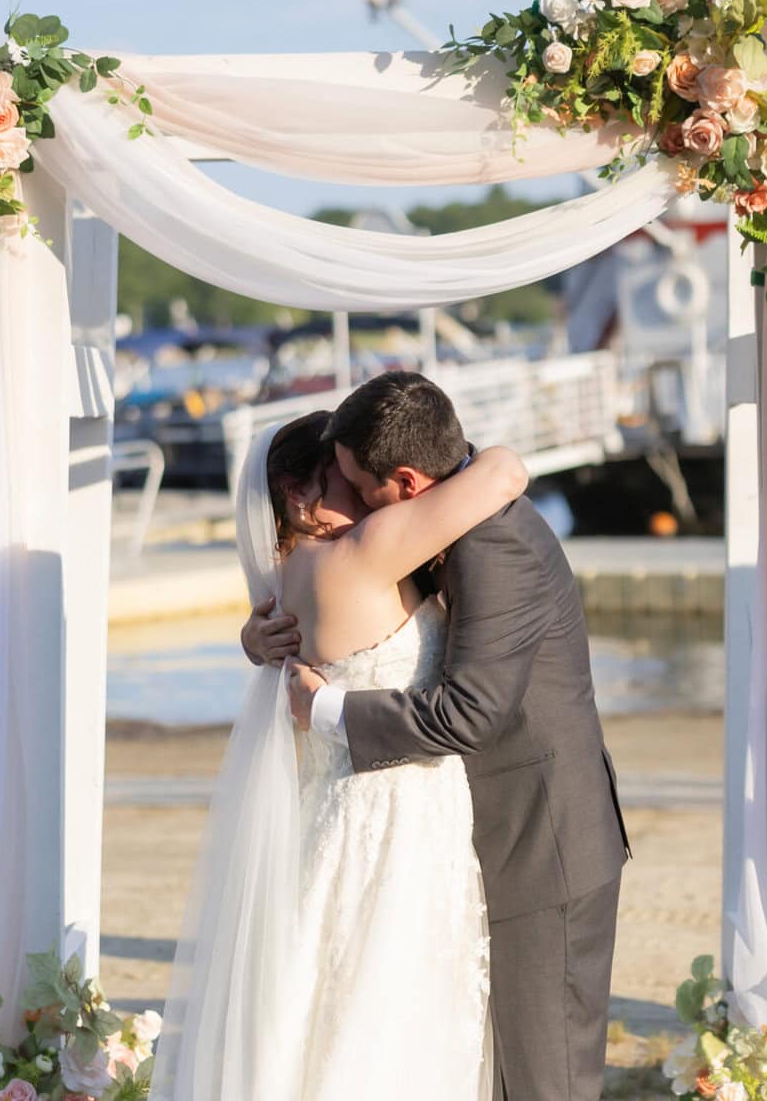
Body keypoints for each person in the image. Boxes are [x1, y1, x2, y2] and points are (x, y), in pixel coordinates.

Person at [247, 371, 631, 1101]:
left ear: (409, 480)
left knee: (546, 1080)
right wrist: (257, 635)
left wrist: (324, 713)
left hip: (540, 841)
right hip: (466, 838)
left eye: (363, 487)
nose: (357, 506)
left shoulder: (494, 544)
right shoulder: (440, 517)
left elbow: (468, 714)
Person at [151, 401, 528, 1101]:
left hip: (347, 810)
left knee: (334, 999)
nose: (369, 493)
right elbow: (505, 470)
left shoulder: (291, 577)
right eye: (348, 477)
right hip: (395, 817)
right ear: (300, 494)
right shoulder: (360, 553)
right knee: (388, 1007)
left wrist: (248, 640)